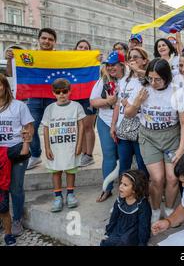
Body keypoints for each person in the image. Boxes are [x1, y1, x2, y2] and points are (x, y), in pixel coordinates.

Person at [125, 58, 184, 224]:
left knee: (173, 178)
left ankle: (169, 210)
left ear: (167, 77)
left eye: (158, 79)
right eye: (150, 78)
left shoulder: (177, 92)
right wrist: (137, 102)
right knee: (157, 179)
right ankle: (154, 210)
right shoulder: (143, 88)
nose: (153, 82)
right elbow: (128, 114)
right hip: (149, 136)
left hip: (171, 137)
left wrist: (182, 147)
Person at [11, 28, 57, 171]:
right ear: (39, 39)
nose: (47, 41)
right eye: (44, 38)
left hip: (54, 99)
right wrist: (10, 59)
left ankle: (56, 157)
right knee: (30, 128)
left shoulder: (60, 57)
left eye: (50, 39)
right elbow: (10, 72)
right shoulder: (29, 56)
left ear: (54, 42)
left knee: (55, 130)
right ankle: (36, 156)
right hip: (35, 99)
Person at [42, 78, 85, 212]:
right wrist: (47, 147)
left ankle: (71, 194)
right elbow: (45, 128)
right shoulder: (50, 109)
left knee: (71, 169)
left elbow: (81, 125)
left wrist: (79, 144)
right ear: (53, 93)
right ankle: (58, 196)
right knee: (56, 171)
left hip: (71, 146)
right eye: (58, 92)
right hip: (55, 147)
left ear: (69, 91)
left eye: (64, 91)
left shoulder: (76, 106)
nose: (61, 95)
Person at [0, 74, 33, 241]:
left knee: (15, 187)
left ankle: (17, 219)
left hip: (17, 150)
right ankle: (4, 215)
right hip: (0, 154)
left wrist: (27, 141)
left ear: (5, 86)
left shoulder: (18, 106)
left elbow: (29, 127)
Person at [90, 51, 126, 202]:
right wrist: (107, 102)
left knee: (125, 158)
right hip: (105, 121)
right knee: (109, 155)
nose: (111, 68)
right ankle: (107, 188)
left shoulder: (130, 79)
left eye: (114, 65)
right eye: (108, 65)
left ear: (122, 65)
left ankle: (126, 190)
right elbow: (93, 101)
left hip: (126, 122)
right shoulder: (103, 80)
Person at [110, 47, 149, 177]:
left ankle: (144, 194)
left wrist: (138, 71)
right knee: (124, 165)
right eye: (130, 57)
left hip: (141, 131)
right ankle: (124, 195)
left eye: (135, 57)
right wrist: (113, 125)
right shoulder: (124, 81)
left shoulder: (148, 79)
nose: (132, 60)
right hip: (124, 129)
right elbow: (117, 104)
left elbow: (154, 79)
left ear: (144, 60)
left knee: (142, 165)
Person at [101, 169, 151, 246]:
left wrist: (142, 242)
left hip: (132, 231)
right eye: (121, 183)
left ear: (135, 189)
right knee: (107, 242)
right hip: (120, 228)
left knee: (124, 241)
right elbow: (113, 218)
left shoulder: (142, 205)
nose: (120, 186)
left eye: (125, 185)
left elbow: (144, 226)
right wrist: (109, 232)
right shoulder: (119, 201)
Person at [73, 40, 97, 167]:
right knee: (80, 127)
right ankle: (83, 154)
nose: (83, 49)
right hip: (75, 97)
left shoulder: (93, 62)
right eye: (80, 46)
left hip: (89, 98)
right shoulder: (71, 61)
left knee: (88, 126)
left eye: (86, 47)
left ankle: (89, 155)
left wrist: (99, 60)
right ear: (76, 48)